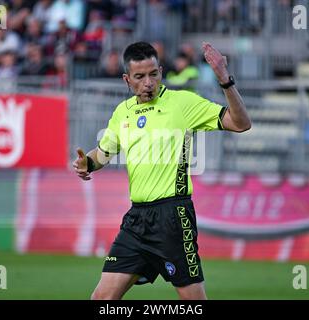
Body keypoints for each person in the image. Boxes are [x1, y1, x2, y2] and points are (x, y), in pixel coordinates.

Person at [73, 41, 251, 300]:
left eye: (153, 74)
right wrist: (86, 164)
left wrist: (225, 80)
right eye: (140, 76)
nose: (148, 82)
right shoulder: (123, 112)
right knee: (101, 299)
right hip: (136, 220)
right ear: (126, 79)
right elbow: (103, 154)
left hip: (173, 217)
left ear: (161, 71)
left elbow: (241, 123)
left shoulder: (182, 103)